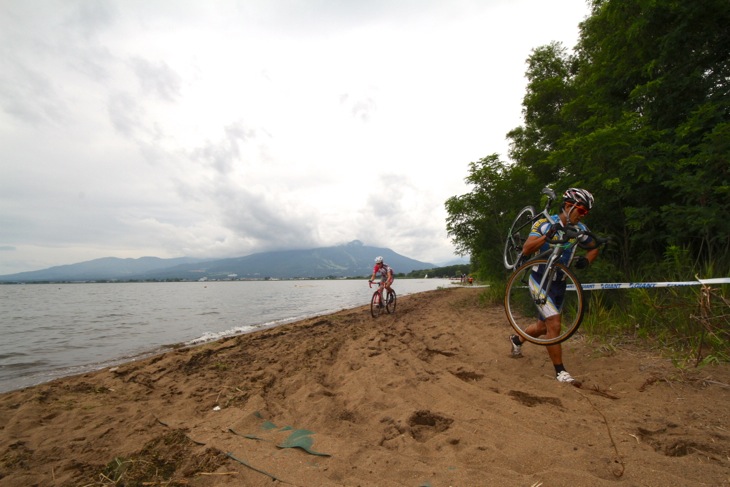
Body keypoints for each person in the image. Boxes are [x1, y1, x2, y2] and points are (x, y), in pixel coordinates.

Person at [509, 188, 600, 386]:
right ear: (568, 206)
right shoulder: (544, 223)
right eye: (582, 211)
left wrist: (586, 260)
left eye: (586, 213)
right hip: (539, 279)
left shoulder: (580, 229)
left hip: (559, 283)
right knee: (554, 324)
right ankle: (560, 372)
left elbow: (594, 247)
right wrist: (548, 235)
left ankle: (517, 340)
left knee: (543, 327)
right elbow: (527, 248)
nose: (583, 215)